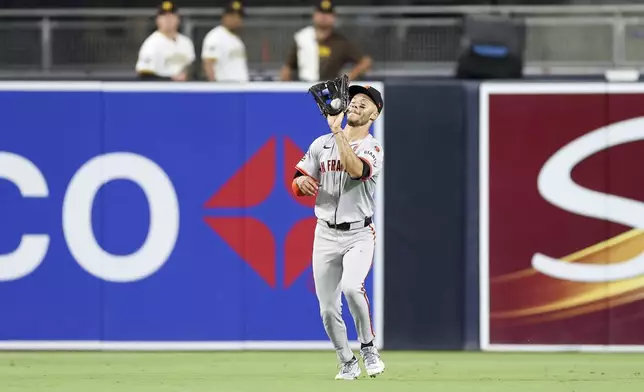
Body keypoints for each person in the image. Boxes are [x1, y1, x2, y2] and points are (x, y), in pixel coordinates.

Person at [291, 83, 385, 380]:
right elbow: (298, 179)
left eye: (365, 102)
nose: (357, 103)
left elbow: (355, 169)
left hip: (359, 232)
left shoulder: (373, 147)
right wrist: (300, 186)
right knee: (327, 309)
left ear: (375, 114)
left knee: (351, 287)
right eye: (354, 99)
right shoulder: (321, 143)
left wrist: (338, 132)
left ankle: (368, 347)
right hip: (325, 234)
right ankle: (346, 361)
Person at [280, 0, 372, 82]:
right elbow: (288, 66)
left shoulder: (341, 42)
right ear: (314, 15)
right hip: (305, 87)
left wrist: (348, 78)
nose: (324, 16)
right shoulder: (302, 38)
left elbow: (365, 62)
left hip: (330, 91)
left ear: (334, 17)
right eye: (321, 12)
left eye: (328, 13)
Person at [135, 1, 195, 81]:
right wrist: (170, 79)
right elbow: (144, 76)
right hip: (162, 90)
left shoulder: (186, 42)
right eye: (164, 16)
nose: (168, 19)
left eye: (171, 16)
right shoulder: (152, 43)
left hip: (184, 90)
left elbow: (191, 67)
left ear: (178, 19)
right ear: (157, 20)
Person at [201, 1, 249, 82]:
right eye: (232, 16)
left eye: (238, 16)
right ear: (224, 16)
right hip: (225, 86)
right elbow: (208, 64)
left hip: (240, 87)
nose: (236, 19)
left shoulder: (236, 39)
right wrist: (215, 88)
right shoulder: (215, 36)